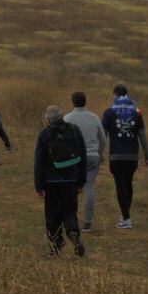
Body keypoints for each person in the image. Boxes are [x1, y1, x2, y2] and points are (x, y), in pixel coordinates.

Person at [34, 106, 87, 257]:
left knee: (52, 215)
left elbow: (39, 161)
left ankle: (55, 246)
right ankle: (72, 232)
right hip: (71, 179)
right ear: (62, 116)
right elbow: (82, 156)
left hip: (51, 181)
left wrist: (39, 185)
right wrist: (81, 181)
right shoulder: (75, 130)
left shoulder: (44, 134)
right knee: (70, 211)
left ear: (47, 119)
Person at [101, 85, 148, 229]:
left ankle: (126, 218)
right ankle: (124, 215)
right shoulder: (137, 113)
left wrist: (100, 155)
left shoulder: (109, 112)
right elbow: (143, 136)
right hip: (132, 156)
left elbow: (102, 137)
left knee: (120, 185)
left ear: (115, 95)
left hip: (116, 156)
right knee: (128, 184)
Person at [64, 91, 108, 231]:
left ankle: (72, 219)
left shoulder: (68, 118)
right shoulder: (94, 117)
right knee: (89, 187)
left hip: (74, 158)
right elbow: (103, 139)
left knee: (72, 188)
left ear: (73, 102)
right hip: (92, 156)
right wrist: (99, 154)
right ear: (85, 101)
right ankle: (88, 222)